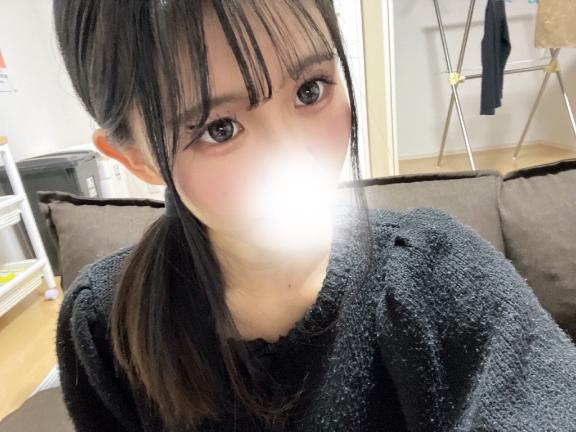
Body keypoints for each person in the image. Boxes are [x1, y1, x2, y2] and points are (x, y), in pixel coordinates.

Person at [53, 1, 576, 431]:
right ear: (136, 158)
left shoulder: (437, 272)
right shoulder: (103, 325)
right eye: (218, 128)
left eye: (310, 89)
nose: (293, 156)